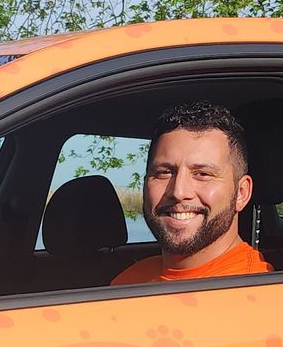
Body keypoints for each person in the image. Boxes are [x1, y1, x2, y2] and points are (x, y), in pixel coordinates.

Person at [110, 102, 274, 285]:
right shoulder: (129, 279)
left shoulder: (253, 292)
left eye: (202, 174)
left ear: (241, 193)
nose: (178, 192)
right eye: (164, 172)